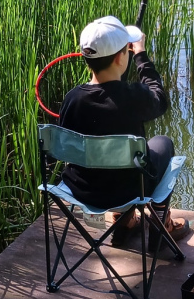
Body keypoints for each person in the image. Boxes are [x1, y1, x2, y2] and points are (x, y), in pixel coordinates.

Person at [58, 15, 187, 244]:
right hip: (131, 191)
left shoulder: (72, 99)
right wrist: (141, 55)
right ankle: (160, 223)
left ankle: (125, 220)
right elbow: (159, 98)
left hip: (82, 190)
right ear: (120, 58)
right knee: (163, 142)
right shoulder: (133, 97)